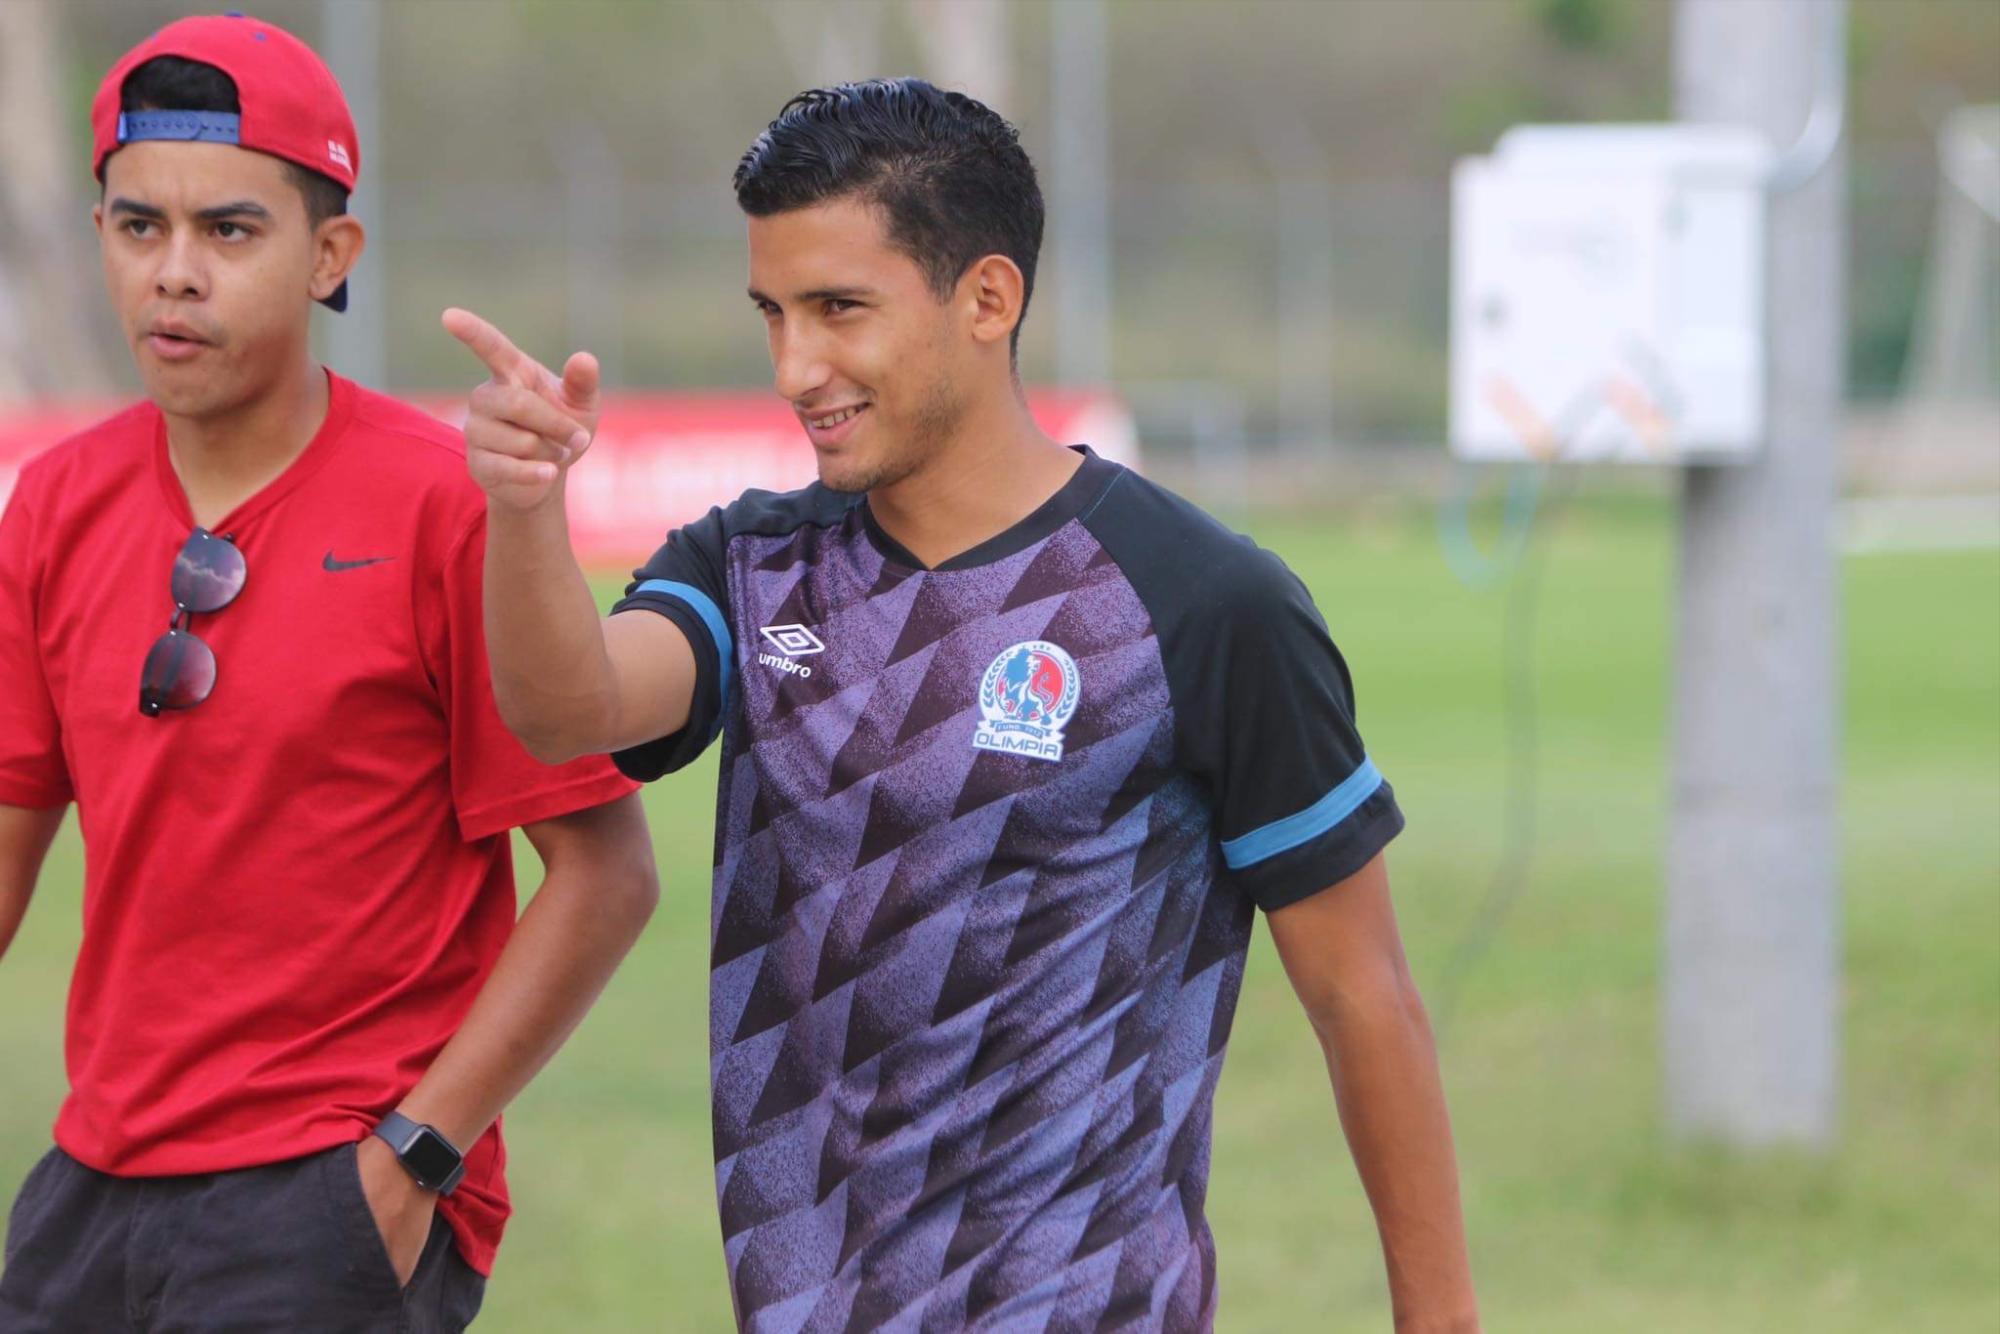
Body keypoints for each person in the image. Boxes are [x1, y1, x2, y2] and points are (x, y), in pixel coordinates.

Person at [450, 78, 1479, 1332]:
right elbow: (572, 712)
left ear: (986, 298)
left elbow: (1361, 995)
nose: (794, 365)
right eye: (772, 312)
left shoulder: (1207, 601)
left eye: (838, 310)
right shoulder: (750, 563)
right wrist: (523, 511)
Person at [0, 15, 654, 1332]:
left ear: (329, 256)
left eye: (229, 232)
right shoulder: (53, 505)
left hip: (335, 1188)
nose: (174, 276)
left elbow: (605, 871)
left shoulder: (445, 509)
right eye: (138, 228)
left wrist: (416, 1155)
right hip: (91, 1179)